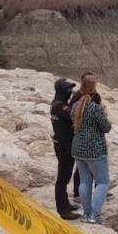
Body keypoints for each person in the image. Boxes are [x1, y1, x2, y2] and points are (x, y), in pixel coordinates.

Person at [71, 76, 112, 225]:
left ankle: (86, 213)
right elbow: (107, 127)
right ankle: (95, 214)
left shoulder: (75, 106)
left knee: (85, 181)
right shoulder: (95, 108)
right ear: (94, 89)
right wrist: (104, 113)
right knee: (102, 182)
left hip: (78, 148)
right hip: (94, 149)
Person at [49, 78, 81, 221]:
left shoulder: (59, 104)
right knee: (63, 178)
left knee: (65, 177)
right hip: (63, 145)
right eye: (67, 90)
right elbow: (74, 116)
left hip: (65, 143)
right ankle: (62, 209)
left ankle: (66, 204)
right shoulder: (59, 106)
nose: (69, 92)